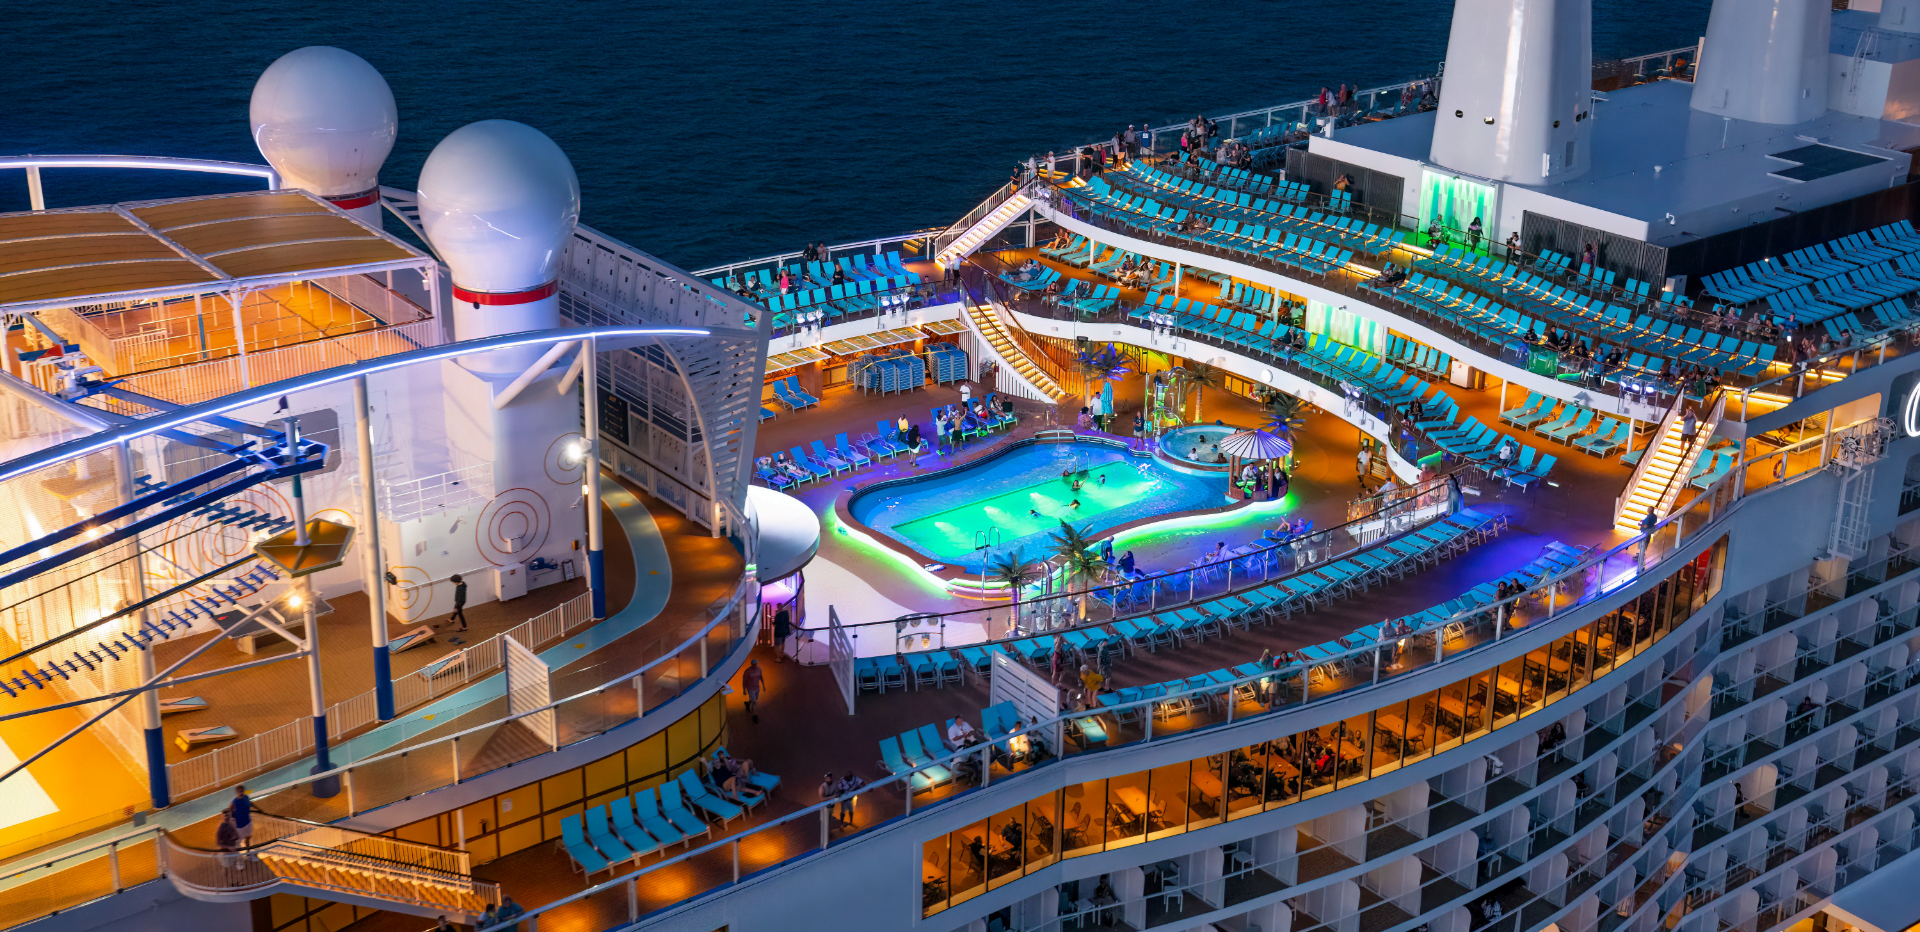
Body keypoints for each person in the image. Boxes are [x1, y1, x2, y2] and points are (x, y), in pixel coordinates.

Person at [741, 658, 764, 723]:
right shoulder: (747, 671)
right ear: (751, 664)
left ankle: (748, 704)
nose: (755, 665)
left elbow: (761, 677)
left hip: (757, 687)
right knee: (754, 702)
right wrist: (744, 690)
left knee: (754, 699)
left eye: (756, 664)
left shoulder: (759, 669)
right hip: (750, 688)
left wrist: (763, 685)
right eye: (754, 664)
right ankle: (754, 716)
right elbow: (744, 681)